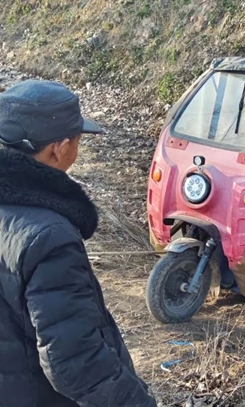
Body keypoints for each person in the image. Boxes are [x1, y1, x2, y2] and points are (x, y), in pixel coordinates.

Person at [0, 80, 157, 407]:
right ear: (58, 148)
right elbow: (75, 363)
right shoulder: (49, 237)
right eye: (77, 140)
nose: (77, 149)